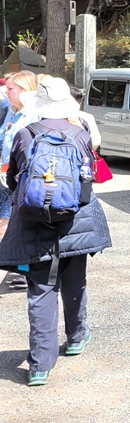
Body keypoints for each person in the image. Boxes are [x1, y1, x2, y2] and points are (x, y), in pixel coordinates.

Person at [0, 76, 112, 386]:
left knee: (41, 289)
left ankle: (39, 366)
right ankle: (76, 337)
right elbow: (88, 180)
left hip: (34, 223)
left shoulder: (26, 134)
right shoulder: (80, 134)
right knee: (75, 279)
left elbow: (13, 180)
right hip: (75, 221)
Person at [0, 70, 40, 290]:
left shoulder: (33, 115)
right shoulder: (13, 112)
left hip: (20, 180)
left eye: (11, 88)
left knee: (5, 228)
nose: (6, 91)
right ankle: (23, 268)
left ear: (25, 91)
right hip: (5, 179)